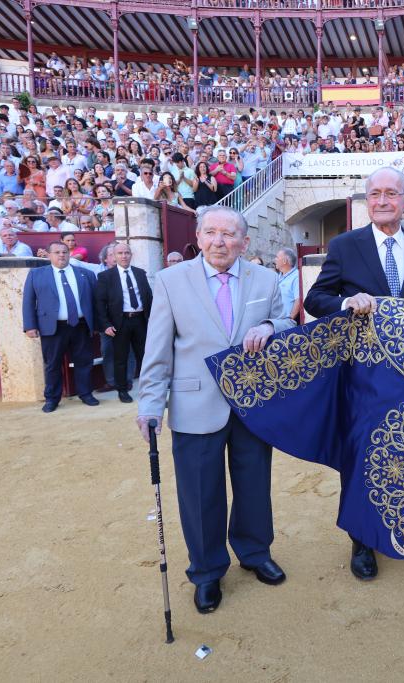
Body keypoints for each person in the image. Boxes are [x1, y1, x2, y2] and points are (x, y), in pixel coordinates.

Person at [136, 206, 296, 615]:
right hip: (194, 403)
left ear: (245, 242)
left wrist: (271, 328)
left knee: (253, 486)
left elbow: (287, 323)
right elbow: (158, 350)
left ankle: (255, 552)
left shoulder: (266, 278)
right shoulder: (170, 281)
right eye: (211, 233)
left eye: (229, 235)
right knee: (200, 494)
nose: (220, 241)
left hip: (251, 405)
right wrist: (151, 403)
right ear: (198, 236)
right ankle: (206, 571)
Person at [304, 166, 404, 581]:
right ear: (368, 201)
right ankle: (361, 540)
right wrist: (347, 301)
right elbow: (315, 298)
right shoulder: (346, 245)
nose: (383, 201)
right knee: (362, 454)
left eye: (391, 194)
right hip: (362, 374)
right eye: (375, 194)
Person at [22, 241, 100, 413]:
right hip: (52, 326)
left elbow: (95, 302)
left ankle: (86, 393)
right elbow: (28, 301)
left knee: (84, 362)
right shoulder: (37, 274)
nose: (61, 255)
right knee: (52, 364)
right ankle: (52, 398)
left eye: (64, 252)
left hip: (80, 325)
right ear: (49, 255)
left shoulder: (85, 274)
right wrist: (29, 326)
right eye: (57, 252)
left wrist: (96, 324)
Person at [95, 243, 152, 404]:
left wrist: (153, 320)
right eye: (120, 253)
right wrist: (105, 324)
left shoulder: (140, 274)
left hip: (141, 320)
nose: (124, 256)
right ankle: (122, 390)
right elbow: (99, 303)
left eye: (127, 252)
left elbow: (148, 297)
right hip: (120, 323)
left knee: (145, 356)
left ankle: (148, 388)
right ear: (113, 256)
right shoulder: (106, 277)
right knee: (120, 358)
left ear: (131, 254)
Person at [273, 247, 301, 322]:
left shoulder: (296, 276)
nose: (275, 260)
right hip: (276, 321)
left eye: (277, 257)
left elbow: (298, 300)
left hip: (286, 324)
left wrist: (290, 320)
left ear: (285, 261)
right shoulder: (279, 276)